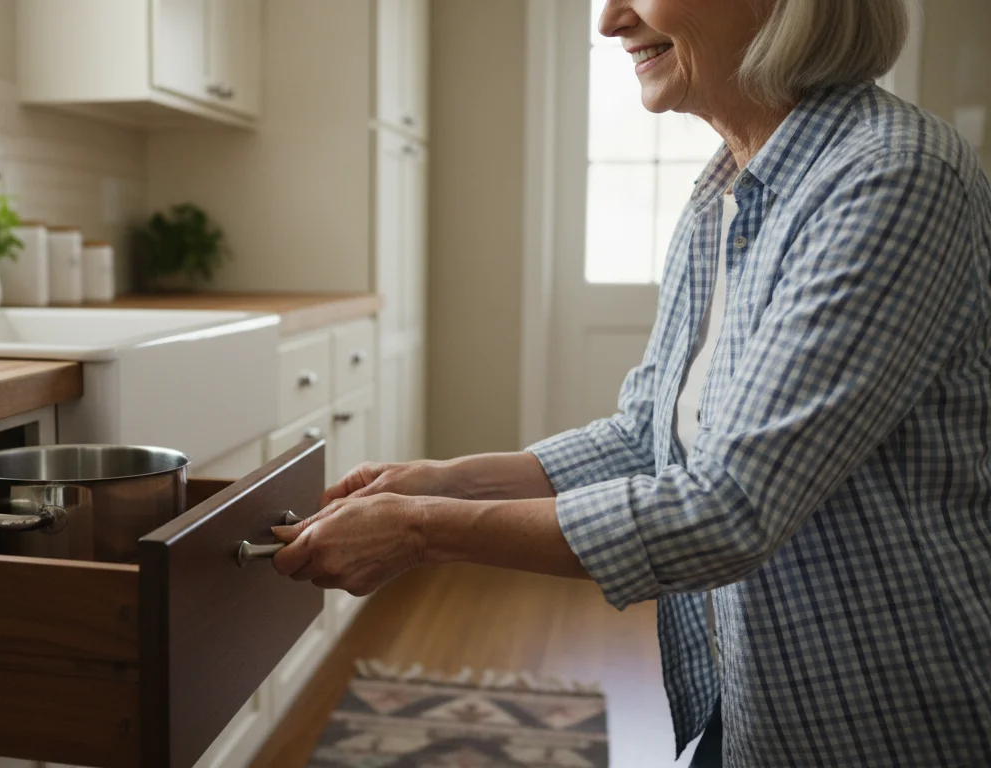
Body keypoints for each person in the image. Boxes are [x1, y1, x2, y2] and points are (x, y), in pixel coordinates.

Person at [270, 0, 991, 765]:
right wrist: (447, 483)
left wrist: (422, 529)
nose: (611, 19)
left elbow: (728, 507)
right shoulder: (721, 196)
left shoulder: (893, 176)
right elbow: (646, 433)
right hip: (754, 697)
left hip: (889, 713)